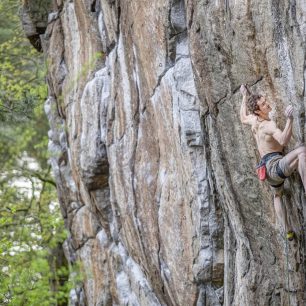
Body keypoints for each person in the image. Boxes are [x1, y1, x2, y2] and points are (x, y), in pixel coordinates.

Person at [240, 84, 306, 241]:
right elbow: (283, 140)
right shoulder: (269, 125)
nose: (267, 103)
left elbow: (243, 117)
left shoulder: (253, 121)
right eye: (263, 104)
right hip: (275, 167)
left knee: (277, 195)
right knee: (302, 152)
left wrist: (244, 96)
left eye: (265, 100)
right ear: (258, 111)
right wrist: (289, 119)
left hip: (267, 171)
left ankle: (288, 230)